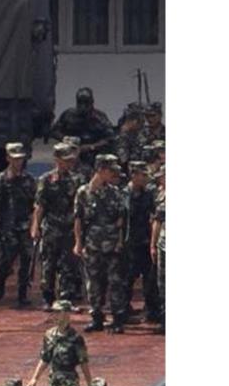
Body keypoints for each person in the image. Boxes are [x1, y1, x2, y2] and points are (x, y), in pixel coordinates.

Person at [73, 154, 128, 333]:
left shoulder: (115, 193)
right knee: (94, 282)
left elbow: (121, 221)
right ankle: (96, 316)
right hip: (92, 244)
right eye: (109, 170)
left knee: (115, 281)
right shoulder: (83, 192)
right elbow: (78, 219)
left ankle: (118, 318)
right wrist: (78, 243)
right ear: (101, 170)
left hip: (111, 244)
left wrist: (120, 242)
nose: (112, 174)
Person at [31, 143, 80, 307]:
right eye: (65, 160)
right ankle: (48, 297)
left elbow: (79, 206)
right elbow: (40, 205)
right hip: (51, 227)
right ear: (57, 160)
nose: (68, 164)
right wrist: (35, 226)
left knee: (68, 264)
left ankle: (65, 298)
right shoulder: (46, 179)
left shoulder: (76, 179)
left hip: (69, 228)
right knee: (48, 264)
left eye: (70, 161)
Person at [25, 300, 92, 386]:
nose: (54, 316)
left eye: (58, 312)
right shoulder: (49, 335)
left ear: (66, 314)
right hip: (54, 380)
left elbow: (83, 363)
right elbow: (45, 358)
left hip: (69, 382)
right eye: (54, 312)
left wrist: (90, 385)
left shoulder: (76, 338)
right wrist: (34, 379)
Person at [0, 143, 37, 305]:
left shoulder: (28, 180)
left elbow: (35, 202)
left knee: (26, 259)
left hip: (25, 224)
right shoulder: (1, 179)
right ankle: (1, 278)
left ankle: (22, 294)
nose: (18, 162)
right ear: (8, 158)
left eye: (20, 159)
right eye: (14, 159)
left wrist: (34, 223)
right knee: (7, 258)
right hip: (8, 225)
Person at [121, 161, 161, 323]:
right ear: (134, 175)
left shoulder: (149, 194)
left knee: (149, 280)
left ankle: (152, 311)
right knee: (126, 279)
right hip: (127, 243)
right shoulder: (122, 194)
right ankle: (123, 310)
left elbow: (155, 216)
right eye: (143, 175)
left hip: (145, 242)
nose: (146, 179)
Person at [50, 87, 115, 166]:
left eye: (86, 103)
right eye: (80, 102)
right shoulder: (68, 115)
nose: (83, 106)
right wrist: (65, 138)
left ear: (92, 102)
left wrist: (92, 146)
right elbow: (54, 131)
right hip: (70, 153)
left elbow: (110, 138)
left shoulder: (100, 118)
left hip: (92, 153)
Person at [150, 172, 166, 334]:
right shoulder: (161, 196)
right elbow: (157, 221)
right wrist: (153, 245)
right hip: (164, 245)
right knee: (162, 284)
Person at [114, 104, 144, 168]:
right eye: (141, 122)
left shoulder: (133, 134)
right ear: (135, 121)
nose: (141, 126)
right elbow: (123, 160)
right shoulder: (121, 137)